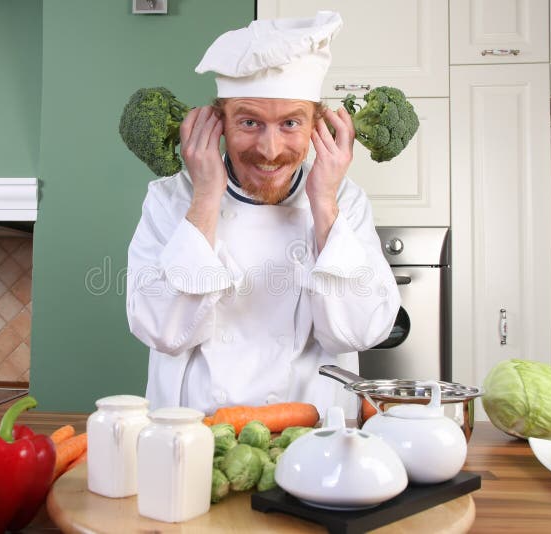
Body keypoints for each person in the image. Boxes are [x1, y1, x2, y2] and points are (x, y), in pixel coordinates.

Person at [126, 11, 401, 419]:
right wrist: (205, 196)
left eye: (290, 123)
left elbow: (357, 333)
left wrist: (324, 203)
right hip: (197, 437)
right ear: (218, 123)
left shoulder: (345, 200)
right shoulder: (171, 199)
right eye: (250, 122)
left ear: (317, 127)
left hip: (313, 437)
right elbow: (163, 331)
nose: (270, 149)